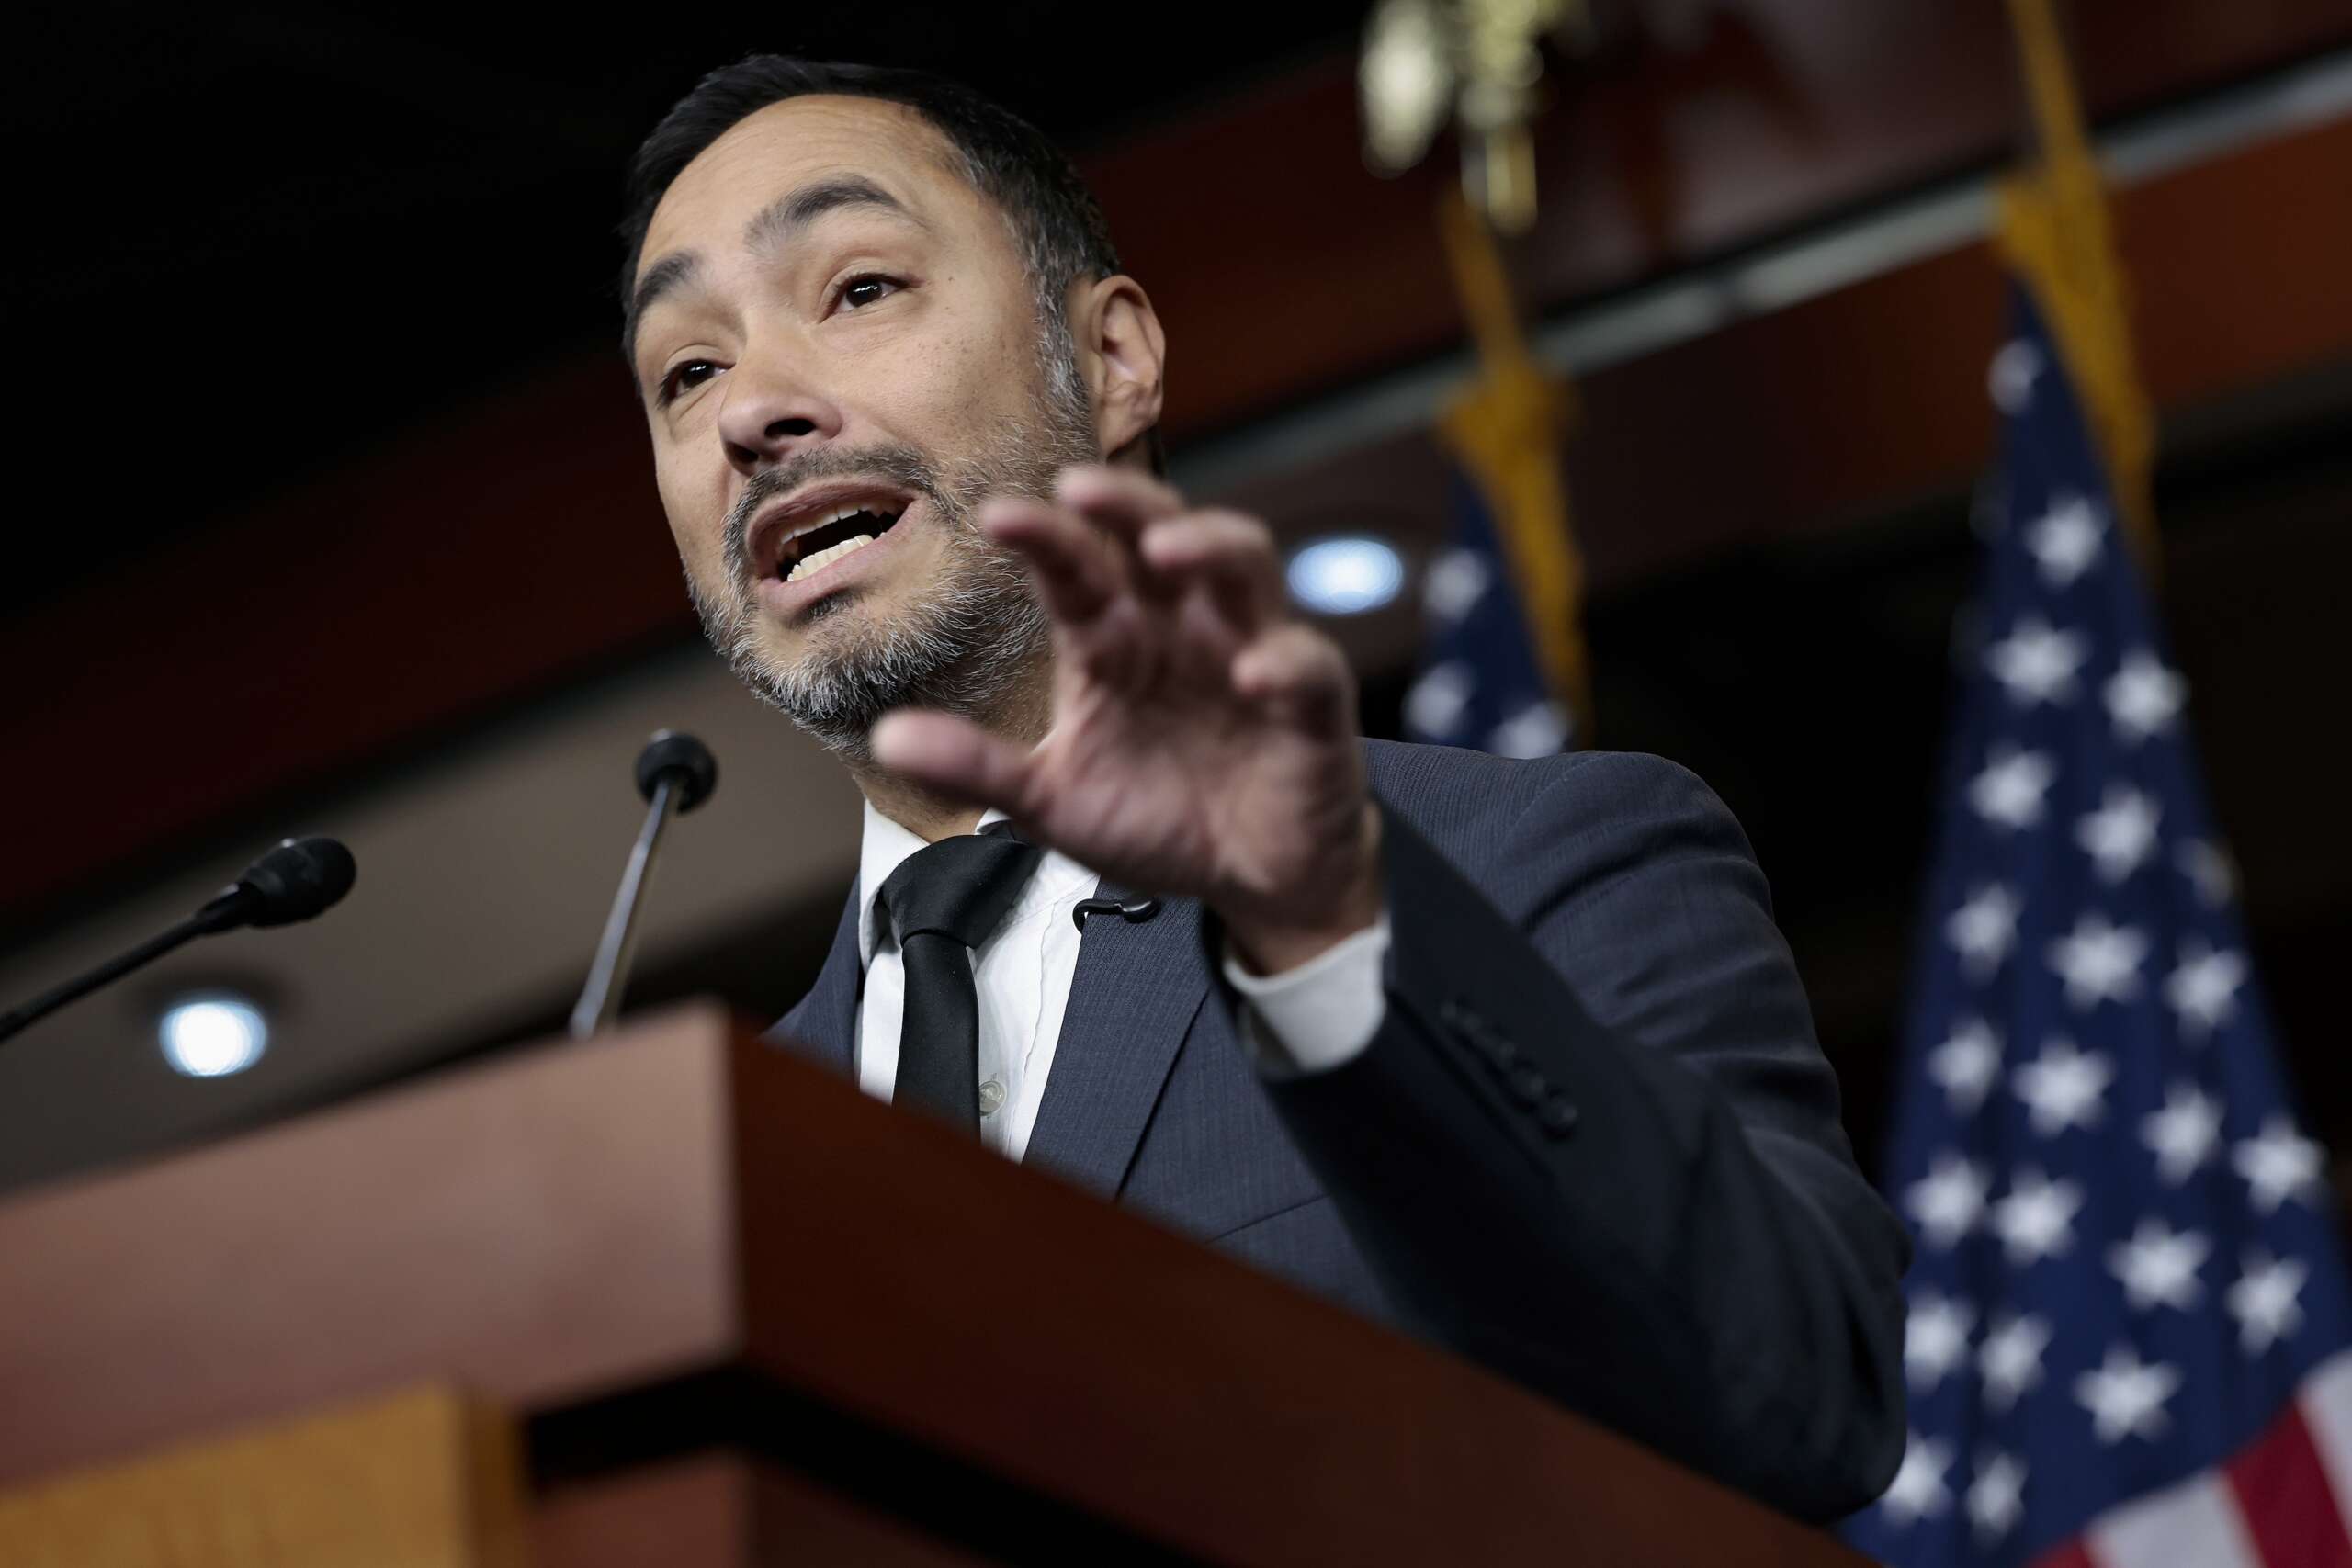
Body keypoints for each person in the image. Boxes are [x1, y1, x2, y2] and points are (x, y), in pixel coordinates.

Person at [616, 56, 1906, 1521]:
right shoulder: (713, 1164)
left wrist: (1325, 932)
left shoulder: (1532, 865)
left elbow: (1800, 1396)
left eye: (857, 289)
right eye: (687, 373)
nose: (752, 410)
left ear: (1112, 359)